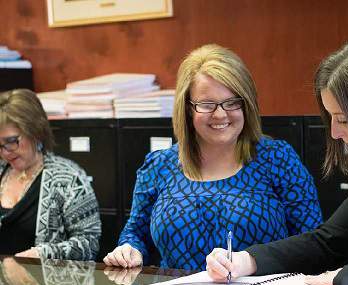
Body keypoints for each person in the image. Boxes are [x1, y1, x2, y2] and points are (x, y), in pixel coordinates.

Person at [104, 44, 322, 270]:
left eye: (232, 102)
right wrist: (129, 249)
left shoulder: (277, 158)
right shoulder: (158, 166)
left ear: (246, 104)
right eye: (206, 104)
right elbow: (135, 233)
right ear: (187, 109)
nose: (220, 114)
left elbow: (311, 244)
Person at [206, 37, 348, 285]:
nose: (334, 133)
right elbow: (326, 241)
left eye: (343, 119)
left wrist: (344, 274)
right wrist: (246, 260)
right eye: (331, 118)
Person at [0, 89, 101, 260]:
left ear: (35, 131)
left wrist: (43, 254)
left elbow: (89, 243)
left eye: (11, 142)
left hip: (43, 283)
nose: (5, 153)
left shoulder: (68, 178)